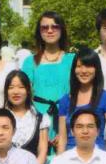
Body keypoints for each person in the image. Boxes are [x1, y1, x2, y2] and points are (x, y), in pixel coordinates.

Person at [20, 11, 75, 143]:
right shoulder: (30, 62)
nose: (50, 31)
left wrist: (65, 131)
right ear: (39, 31)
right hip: (37, 123)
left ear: (62, 30)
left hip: (67, 120)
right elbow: (24, 95)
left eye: (55, 27)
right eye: (45, 27)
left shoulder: (72, 59)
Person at [56, 48, 106, 158]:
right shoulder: (65, 100)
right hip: (70, 158)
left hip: (97, 158)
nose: (84, 71)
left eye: (88, 66)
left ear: (96, 69)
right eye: (79, 66)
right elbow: (62, 138)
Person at [3, 70, 50, 164]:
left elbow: (42, 151)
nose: (16, 92)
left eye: (21, 87)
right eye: (11, 87)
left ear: (28, 90)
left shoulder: (40, 118)